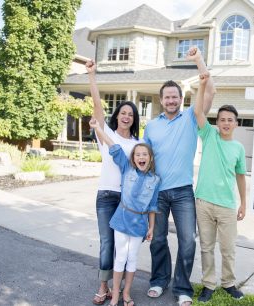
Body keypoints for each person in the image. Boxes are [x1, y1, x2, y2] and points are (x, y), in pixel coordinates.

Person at [144, 46, 213, 306]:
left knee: (187, 241)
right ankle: (159, 281)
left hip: (184, 191)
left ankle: (182, 287)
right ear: (161, 100)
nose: (171, 101)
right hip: (157, 192)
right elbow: (144, 159)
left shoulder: (191, 119)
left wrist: (199, 61)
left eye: (175, 97)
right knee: (158, 240)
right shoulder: (151, 125)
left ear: (181, 99)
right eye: (167, 97)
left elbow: (209, 92)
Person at [86, 60, 140, 305]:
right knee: (107, 241)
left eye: (131, 114)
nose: (126, 116)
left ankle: (120, 289)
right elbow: (97, 106)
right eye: (123, 112)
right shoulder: (104, 135)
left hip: (128, 200)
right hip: (107, 196)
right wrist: (92, 76)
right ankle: (103, 286)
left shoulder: (138, 144)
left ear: (134, 119)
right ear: (117, 115)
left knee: (125, 246)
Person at [89, 117, 160, 306]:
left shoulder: (155, 180)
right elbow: (113, 146)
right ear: (133, 158)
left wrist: (151, 228)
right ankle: (114, 297)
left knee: (132, 258)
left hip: (139, 224)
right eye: (138, 155)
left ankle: (126, 293)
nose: (141, 157)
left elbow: (153, 206)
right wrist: (98, 128)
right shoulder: (127, 168)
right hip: (121, 219)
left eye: (145, 154)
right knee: (120, 256)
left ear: (150, 158)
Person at [193, 72, 247, 302]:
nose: (225, 123)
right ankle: (208, 284)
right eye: (222, 119)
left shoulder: (238, 148)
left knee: (228, 249)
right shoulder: (209, 136)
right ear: (217, 123)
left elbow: (241, 177)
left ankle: (228, 283)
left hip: (226, 205)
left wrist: (243, 203)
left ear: (236, 123)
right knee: (206, 247)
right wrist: (201, 86)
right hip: (204, 202)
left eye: (230, 120)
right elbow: (197, 112)